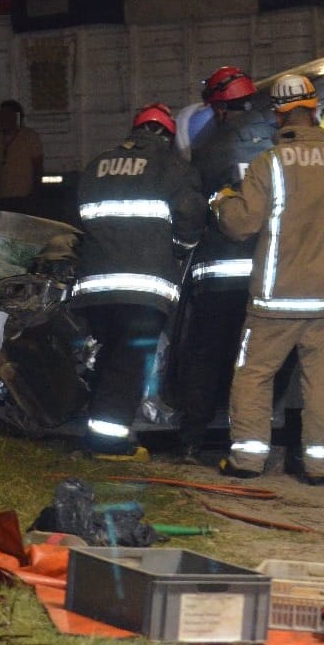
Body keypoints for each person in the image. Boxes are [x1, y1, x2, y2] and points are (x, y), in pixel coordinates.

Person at [214, 74, 324, 482]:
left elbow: (242, 224)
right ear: (314, 109)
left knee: (254, 376)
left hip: (276, 298)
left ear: (278, 116)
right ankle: (322, 467)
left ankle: (247, 460)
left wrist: (222, 202)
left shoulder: (269, 164)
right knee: (322, 383)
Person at [71, 103, 206, 459]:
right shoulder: (173, 168)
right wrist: (179, 248)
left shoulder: (97, 165)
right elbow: (190, 221)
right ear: (166, 135)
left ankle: (97, 432)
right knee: (128, 365)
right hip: (144, 290)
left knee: (108, 358)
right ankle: (109, 443)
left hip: (96, 290)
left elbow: (82, 217)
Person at [176, 66, 277, 464]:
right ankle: (253, 440)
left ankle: (192, 439)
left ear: (218, 108)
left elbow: (192, 203)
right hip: (265, 273)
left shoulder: (209, 146)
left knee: (205, 356)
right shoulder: (273, 142)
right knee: (255, 363)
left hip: (217, 276)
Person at [0, 99, 45, 215]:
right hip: (0, 196)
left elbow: (38, 166)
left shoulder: (30, 137)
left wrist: (35, 192)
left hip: (23, 196)